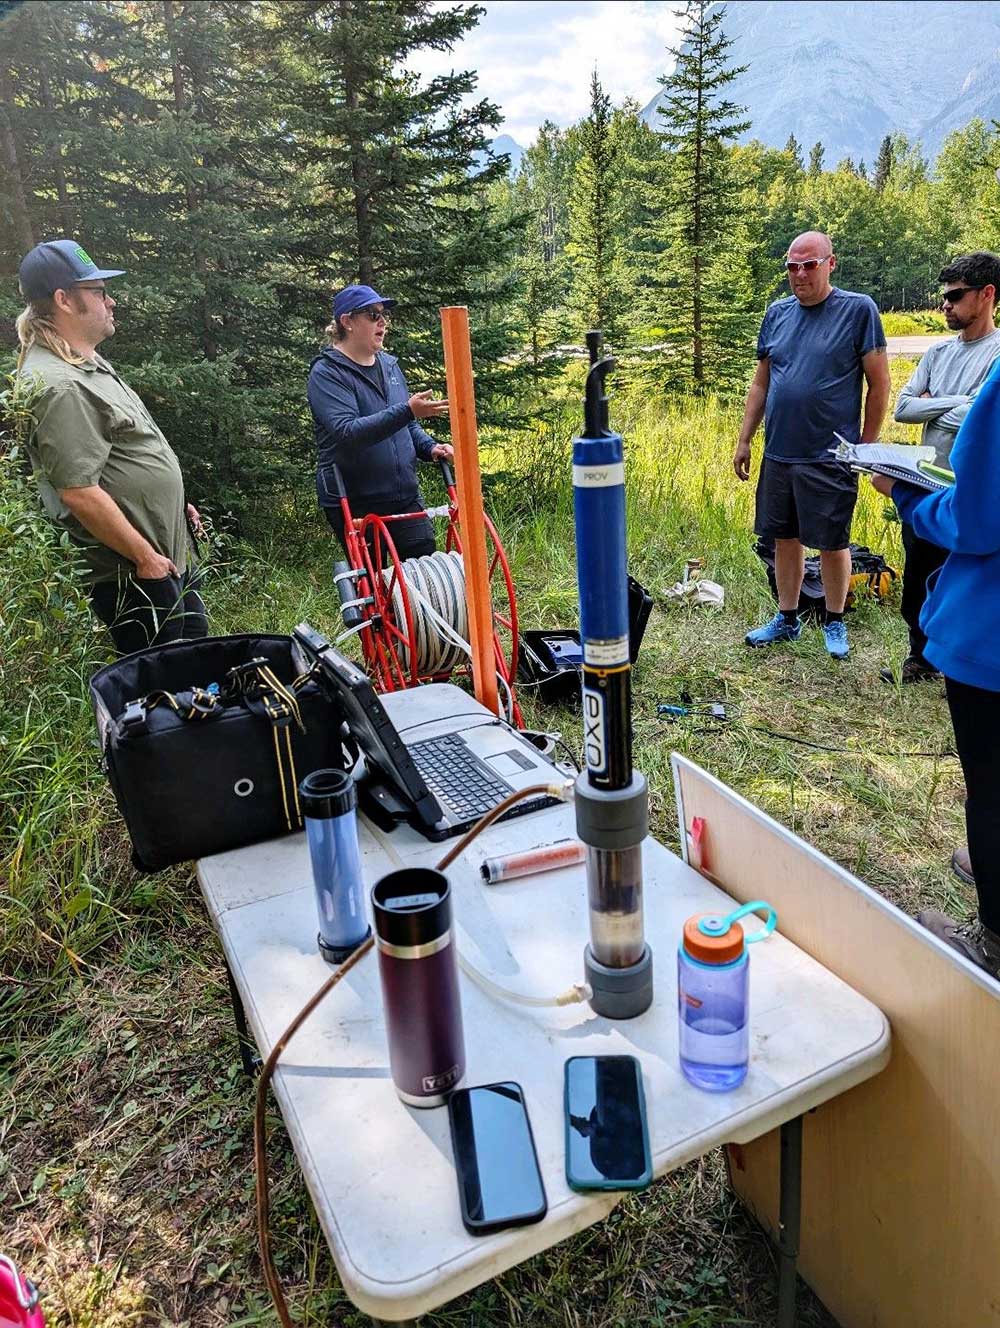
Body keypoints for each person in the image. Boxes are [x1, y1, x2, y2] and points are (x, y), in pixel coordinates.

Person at [871, 354, 1000, 979]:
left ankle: (993, 945)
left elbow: (975, 521)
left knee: (993, 789)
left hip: (991, 636)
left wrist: (907, 496)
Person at [16, 238, 207, 656]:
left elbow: (122, 453)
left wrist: (175, 504)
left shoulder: (84, 363)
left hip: (163, 562)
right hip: (137, 575)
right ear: (64, 300)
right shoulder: (60, 384)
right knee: (167, 701)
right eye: (98, 292)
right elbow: (78, 491)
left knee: (197, 682)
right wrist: (145, 558)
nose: (111, 300)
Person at [734, 231, 890, 658]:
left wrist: (865, 447)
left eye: (810, 265)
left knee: (832, 540)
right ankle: (787, 618)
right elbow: (761, 383)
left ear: (830, 264)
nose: (800, 274)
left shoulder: (858, 310)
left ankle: (835, 622)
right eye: (792, 266)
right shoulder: (777, 314)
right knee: (783, 537)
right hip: (780, 451)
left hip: (831, 453)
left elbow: (879, 385)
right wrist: (745, 438)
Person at [885, 252, 1000, 687]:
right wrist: (956, 403)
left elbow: (979, 420)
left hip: (969, 491)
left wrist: (937, 406)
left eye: (955, 296)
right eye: (944, 297)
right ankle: (920, 657)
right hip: (924, 482)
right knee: (918, 572)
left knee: (963, 577)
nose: (945, 306)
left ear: (987, 295)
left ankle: (959, 665)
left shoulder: (997, 355)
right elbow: (903, 408)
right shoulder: (937, 351)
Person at [307, 284, 453, 562]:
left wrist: (430, 447)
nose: (382, 321)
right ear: (347, 322)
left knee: (423, 573)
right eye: (372, 315)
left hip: (403, 494)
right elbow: (347, 432)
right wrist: (409, 410)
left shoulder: (389, 365)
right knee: (374, 586)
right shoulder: (327, 373)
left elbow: (406, 424)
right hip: (355, 501)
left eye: (384, 315)